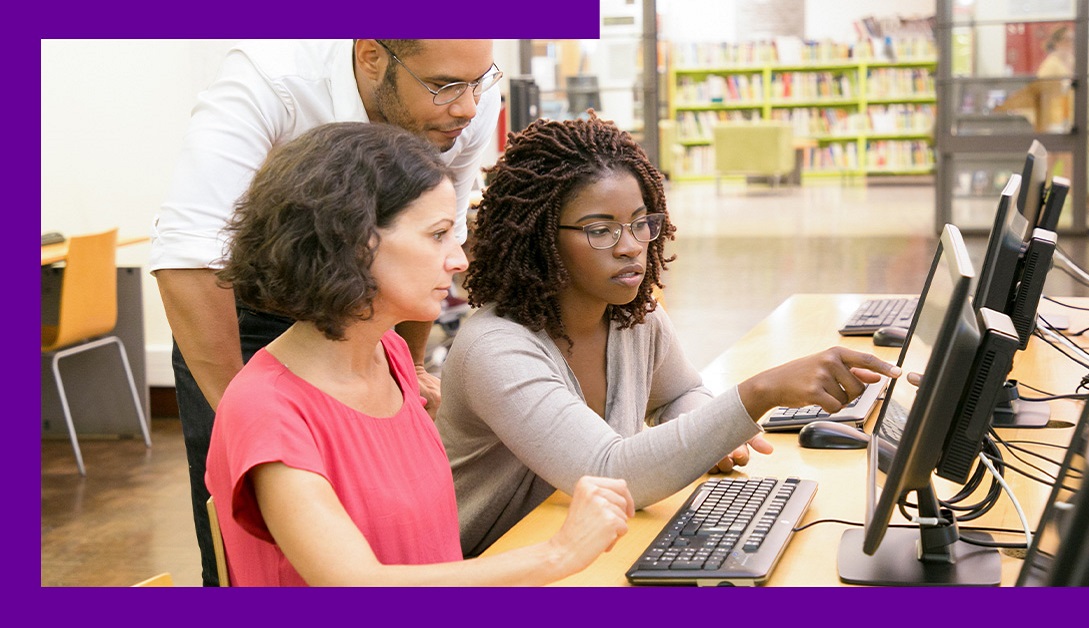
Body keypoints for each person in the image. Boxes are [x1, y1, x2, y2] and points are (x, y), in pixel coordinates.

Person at [436, 114, 902, 557]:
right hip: (489, 571)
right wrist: (760, 393)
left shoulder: (631, 316)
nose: (630, 246)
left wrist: (710, 436)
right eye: (601, 230)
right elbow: (611, 475)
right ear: (539, 238)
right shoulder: (495, 349)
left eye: (641, 223)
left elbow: (681, 391)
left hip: (578, 546)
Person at [205, 121, 633, 586]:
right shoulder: (265, 409)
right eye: (438, 235)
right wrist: (558, 554)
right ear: (353, 241)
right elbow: (357, 587)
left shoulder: (388, 356)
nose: (459, 259)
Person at [149, 39, 502, 586]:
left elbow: (436, 241)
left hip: (375, 308)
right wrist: (252, 425)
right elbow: (188, 257)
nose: (469, 107)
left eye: (480, 82)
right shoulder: (271, 79)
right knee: (265, 532)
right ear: (371, 56)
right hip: (238, 305)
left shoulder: (460, 102)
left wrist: (401, 377)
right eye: (445, 86)